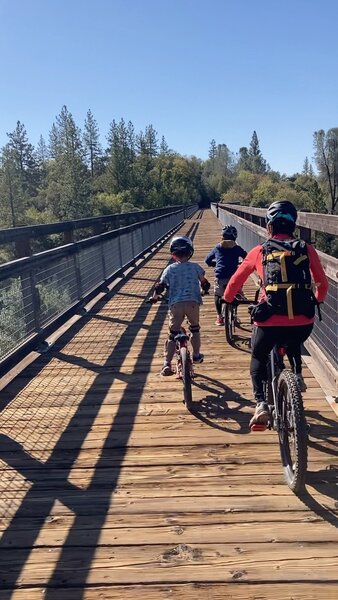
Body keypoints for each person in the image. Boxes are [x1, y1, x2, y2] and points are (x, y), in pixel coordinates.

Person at [223, 200, 329, 427]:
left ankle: (260, 404)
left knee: (258, 357)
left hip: (269, 320)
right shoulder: (306, 248)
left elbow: (234, 282)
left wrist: (227, 300)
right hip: (303, 321)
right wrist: (314, 301)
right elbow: (323, 284)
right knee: (293, 339)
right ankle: (298, 376)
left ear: (269, 227)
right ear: (294, 227)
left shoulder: (259, 251)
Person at [151, 235, 210, 376]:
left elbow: (160, 287)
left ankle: (167, 364)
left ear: (173, 254)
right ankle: (196, 355)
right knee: (194, 329)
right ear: (190, 252)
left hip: (176, 304)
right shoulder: (195, 267)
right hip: (193, 303)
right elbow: (205, 283)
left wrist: (154, 298)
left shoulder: (169, 269)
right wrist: (204, 291)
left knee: (172, 334)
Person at [205, 225, 247, 325]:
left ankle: (219, 317)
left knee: (218, 295)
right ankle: (238, 294)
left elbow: (207, 260)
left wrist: (214, 264)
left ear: (222, 236)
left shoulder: (218, 247)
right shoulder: (237, 248)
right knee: (236, 287)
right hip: (233, 277)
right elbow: (247, 257)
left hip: (221, 276)